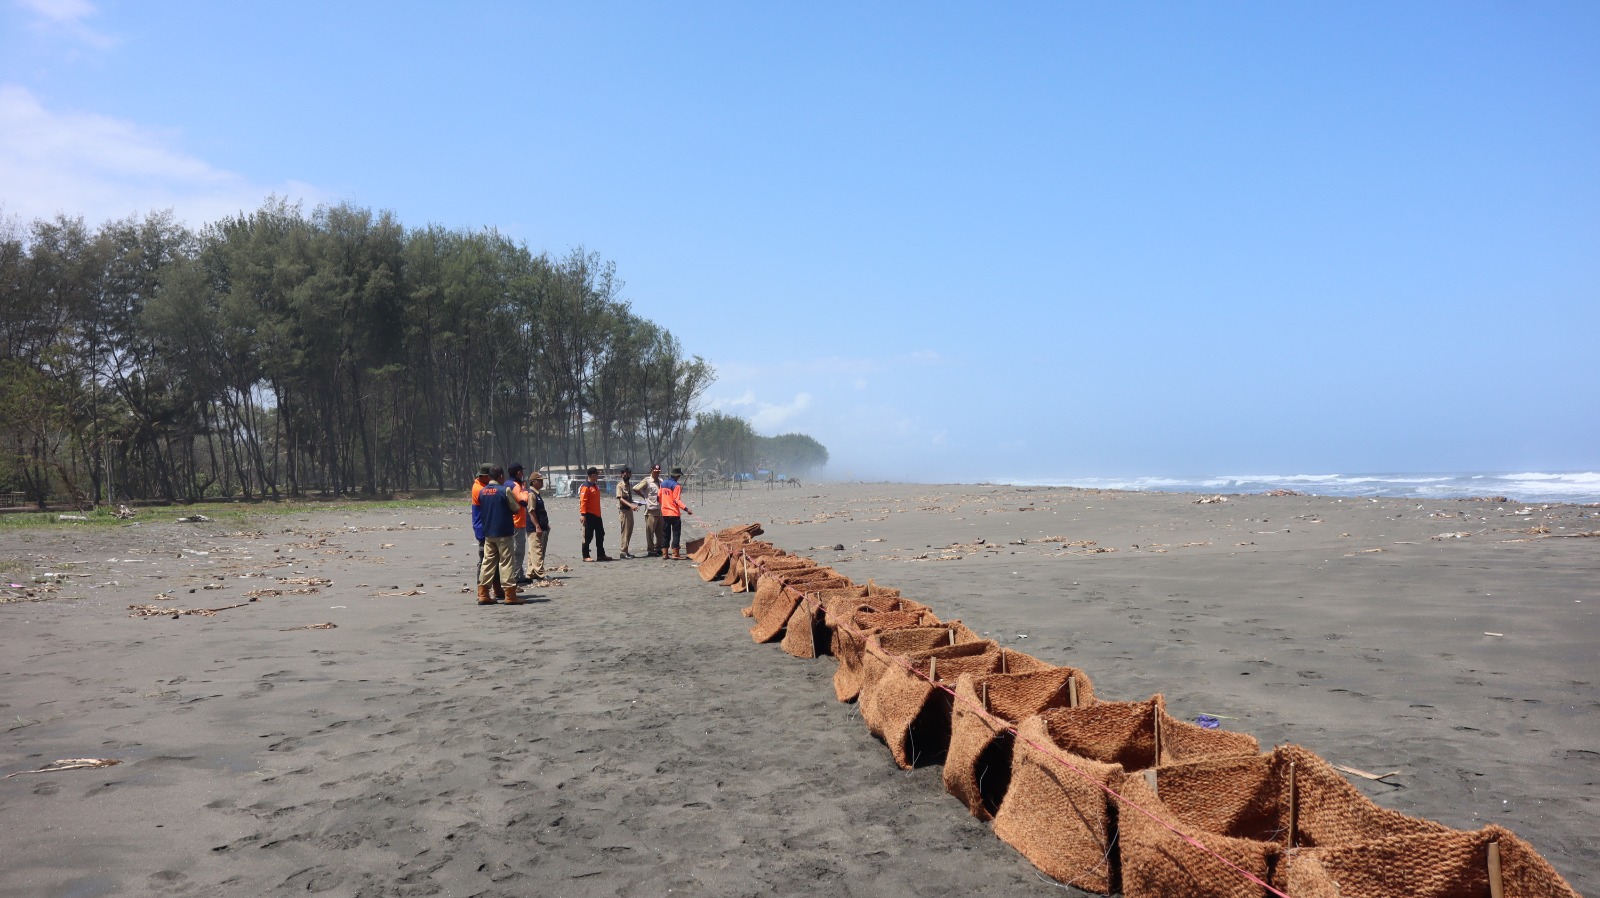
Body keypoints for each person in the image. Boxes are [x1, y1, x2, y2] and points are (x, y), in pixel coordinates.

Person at [477, 466, 524, 604]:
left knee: (488, 562)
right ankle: (510, 594)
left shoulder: (482, 492)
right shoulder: (505, 490)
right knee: (506, 562)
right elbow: (515, 508)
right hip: (504, 532)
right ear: (501, 477)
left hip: (488, 533)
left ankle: (483, 593)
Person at [469, 462, 500, 589]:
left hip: (485, 528)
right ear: (486, 477)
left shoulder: (481, 486)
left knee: (491, 560)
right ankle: (481, 586)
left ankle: (495, 587)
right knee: (485, 560)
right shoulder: (480, 489)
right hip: (483, 529)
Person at [658, 466, 693, 560]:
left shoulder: (663, 483)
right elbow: (677, 500)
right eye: (679, 476)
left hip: (665, 513)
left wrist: (664, 505)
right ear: (677, 475)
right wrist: (686, 509)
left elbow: (659, 497)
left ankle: (665, 554)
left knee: (666, 534)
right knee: (676, 534)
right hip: (674, 513)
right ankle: (675, 554)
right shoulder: (676, 486)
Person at [507, 463, 533, 584]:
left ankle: (520, 574)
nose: (523, 474)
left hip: (510, 522)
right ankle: (516, 576)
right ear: (518, 473)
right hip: (517, 522)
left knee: (513, 550)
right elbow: (523, 501)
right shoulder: (516, 486)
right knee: (519, 550)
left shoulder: (507, 483)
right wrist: (526, 490)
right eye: (521, 472)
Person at [579, 466, 611, 562]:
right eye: (597, 474)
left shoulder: (595, 486)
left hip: (597, 515)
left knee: (600, 534)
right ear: (592, 475)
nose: (598, 476)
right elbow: (583, 501)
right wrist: (583, 514)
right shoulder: (586, 487)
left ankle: (601, 555)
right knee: (588, 535)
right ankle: (585, 555)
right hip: (589, 515)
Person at [526, 471, 550, 580]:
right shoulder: (531, 494)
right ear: (533, 482)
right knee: (537, 550)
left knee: (533, 551)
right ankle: (540, 573)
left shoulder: (537, 494)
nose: (542, 483)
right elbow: (531, 511)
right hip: (534, 528)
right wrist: (537, 526)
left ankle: (531, 572)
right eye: (540, 481)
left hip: (542, 526)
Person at [615, 467, 642, 559]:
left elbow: (629, 499)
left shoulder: (630, 486)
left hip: (630, 511)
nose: (627, 476)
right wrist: (631, 506)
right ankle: (623, 552)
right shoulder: (620, 486)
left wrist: (636, 504)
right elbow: (620, 498)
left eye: (628, 474)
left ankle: (626, 551)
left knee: (629, 531)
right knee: (625, 532)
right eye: (625, 474)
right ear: (621, 475)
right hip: (624, 511)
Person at [639, 464, 663, 558]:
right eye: (655, 471)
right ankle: (650, 549)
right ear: (651, 471)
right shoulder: (647, 481)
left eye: (658, 472)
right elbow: (636, 488)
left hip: (660, 510)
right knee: (650, 532)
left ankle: (658, 548)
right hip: (651, 510)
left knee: (660, 533)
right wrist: (645, 496)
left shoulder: (661, 481)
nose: (657, 473)